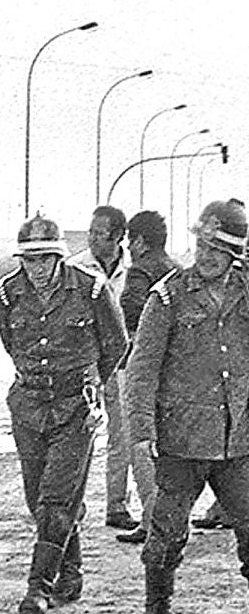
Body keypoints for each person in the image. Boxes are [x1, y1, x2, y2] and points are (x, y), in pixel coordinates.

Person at [125, 199, 249, 614]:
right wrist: (141, 430)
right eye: (203, 243)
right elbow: (141, 369)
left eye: (220, 247)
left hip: (237, 441)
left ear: (236, 251)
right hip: (179, 439)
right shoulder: (167, 296)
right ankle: (157, 608)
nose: (208, 254)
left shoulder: (246, 291)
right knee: (167, 531)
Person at [0, 215, 128, 614]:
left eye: (44, 259)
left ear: (59, 257)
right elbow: (9, 342)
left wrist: (87, 383)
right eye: (29, 260)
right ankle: (70, 572)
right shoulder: (8, 293)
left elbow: (116, 346)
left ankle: (40, 587)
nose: (35, 269)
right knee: (40, 498)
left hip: (74, 409)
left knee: (57, 498)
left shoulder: (91, 290)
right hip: (29, 406)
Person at [68, 205, 137, 530]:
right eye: (91, 232)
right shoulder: (75, 268)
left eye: (100, 233)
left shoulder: (134, 269)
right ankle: (72, 504)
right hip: (87, 366)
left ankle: (117, 505)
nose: (93, 239)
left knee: (121, 436)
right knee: (79, 435)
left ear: (118, 236)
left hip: (124, 365)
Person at [115, 210, 177, 545]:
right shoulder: (177, 271)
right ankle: (168, 518)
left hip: (139, 366)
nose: (126, 246)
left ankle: (152, 522)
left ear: (139, 241)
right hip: (174, 372)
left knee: (139, 445)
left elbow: (133, 320)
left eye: (129, 240)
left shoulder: (139, 273)